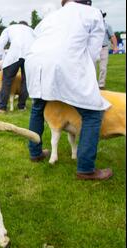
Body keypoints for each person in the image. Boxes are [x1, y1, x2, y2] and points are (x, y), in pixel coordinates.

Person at [25, 0, 112, 180]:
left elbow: (36, 40)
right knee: (92, 113)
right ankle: (86, 168)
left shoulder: (49, 18)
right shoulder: (92, 12)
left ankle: (35, 152)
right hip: (65, 61)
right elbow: (93, 52)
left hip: (35, 63)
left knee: (38, 107)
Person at [0, 21, 35, 113]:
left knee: (6, 80)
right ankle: (21, 106)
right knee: (26, 81)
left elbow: (1, 44)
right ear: (26, 25)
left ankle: (2, 107)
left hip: (14, 56)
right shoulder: (31, 30)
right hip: (29, 56)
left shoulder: (9, 28)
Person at [98, 11, 118, 90]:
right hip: (93, 49)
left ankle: (101, 85)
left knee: (103, 68)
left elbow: (112, 37)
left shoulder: (107, 26)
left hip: (104, 48)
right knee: (91, 68)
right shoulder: (91, 25)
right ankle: (91, 85)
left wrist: (115, 47)